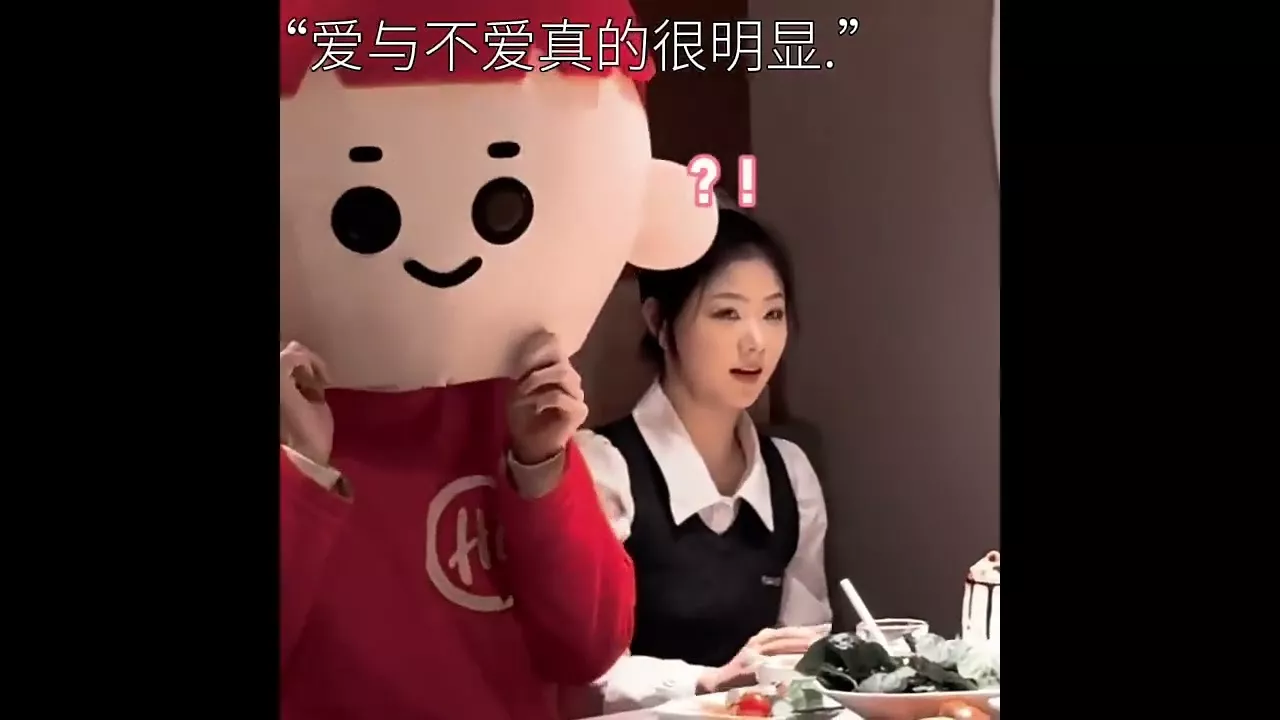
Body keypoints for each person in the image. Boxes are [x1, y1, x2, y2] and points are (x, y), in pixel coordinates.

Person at [276, 0, 719, 717]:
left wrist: (541, 469)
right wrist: (301, 468)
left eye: (501, 205)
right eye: (366, 214)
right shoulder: (295, 405)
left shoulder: (516, 407)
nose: (441, 252)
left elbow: (589, 647)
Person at [578, 202, 832, 713]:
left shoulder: (790, 474)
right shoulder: (601, 467)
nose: (756, 342)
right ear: (659, 321)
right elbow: (584, 674)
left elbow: (803, 653)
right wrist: (706, 682)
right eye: (726, 313)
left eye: (773, 314)